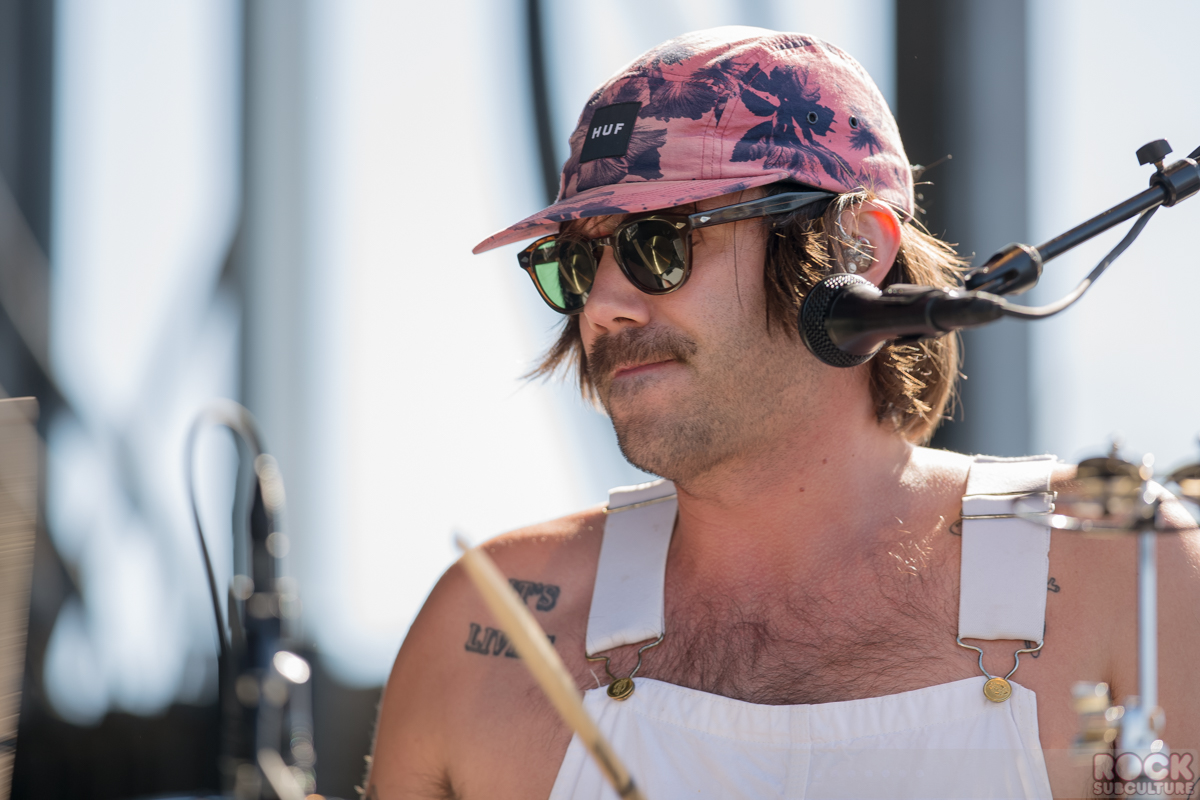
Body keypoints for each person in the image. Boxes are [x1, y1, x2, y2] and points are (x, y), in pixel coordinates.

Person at [365, 26, 1200, 799]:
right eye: (577, 263)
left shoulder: (1124, 570)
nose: (603, 307)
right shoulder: (491, 624)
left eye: (662, 242)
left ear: (852, 248)